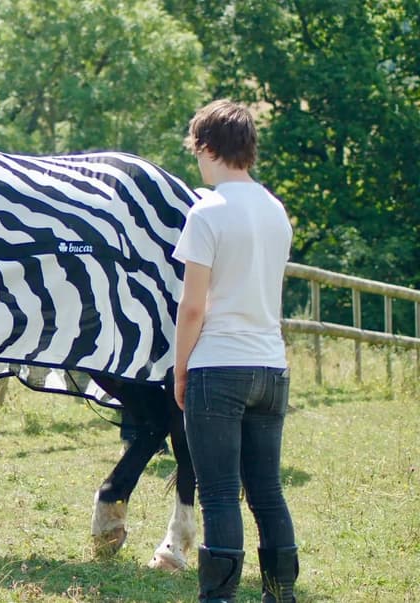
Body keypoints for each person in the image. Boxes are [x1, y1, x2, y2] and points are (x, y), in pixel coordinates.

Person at [173, 100, 297, 601]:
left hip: (218, 366)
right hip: (272, 366)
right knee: (267, 491)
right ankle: (280, 594)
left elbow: (193, 308)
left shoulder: (207, 211)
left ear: (206, 147)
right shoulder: (275, 210)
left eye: (195, 151)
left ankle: (218, 597)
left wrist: (180, 370)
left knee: (219, 492)